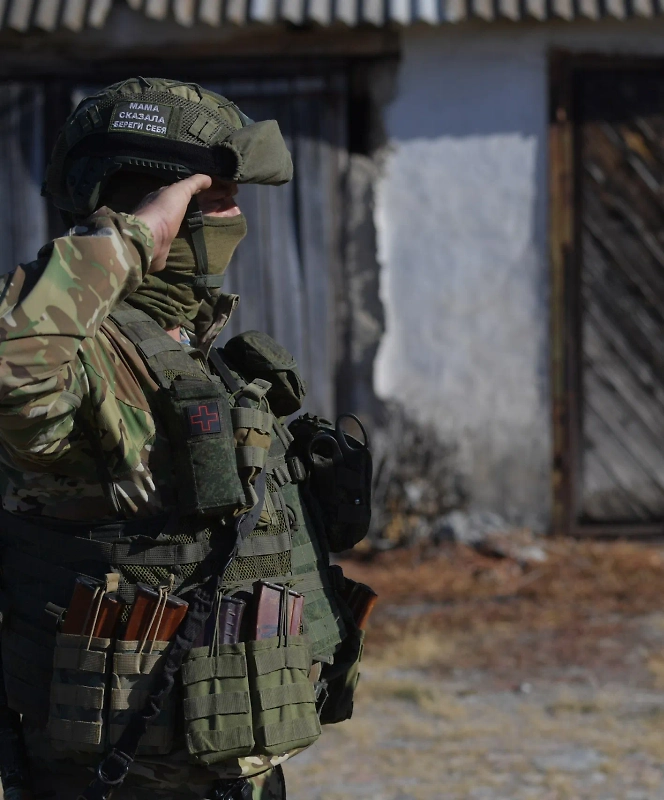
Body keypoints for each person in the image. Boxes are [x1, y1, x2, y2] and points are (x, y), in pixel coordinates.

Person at [0, 78, 372, 799]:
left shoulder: (204, 358)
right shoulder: (89, 361)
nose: (237, 218)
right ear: (149, 204)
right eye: (216, 198)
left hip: (235, 768)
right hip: (115, 778)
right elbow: (15, 369)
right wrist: (127, 240)